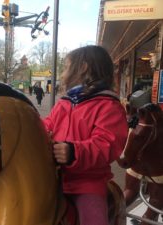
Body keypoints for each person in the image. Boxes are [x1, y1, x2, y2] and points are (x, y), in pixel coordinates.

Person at [43, 45, 128, 225]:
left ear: (83, 68)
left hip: (87, 183)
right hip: (53, 178)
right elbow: (47, 125)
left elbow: (107, 144)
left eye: (66, 67)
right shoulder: (65, 103)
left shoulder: (108, 106)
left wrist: (74, 151)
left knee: (93, 219)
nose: (64, 72)